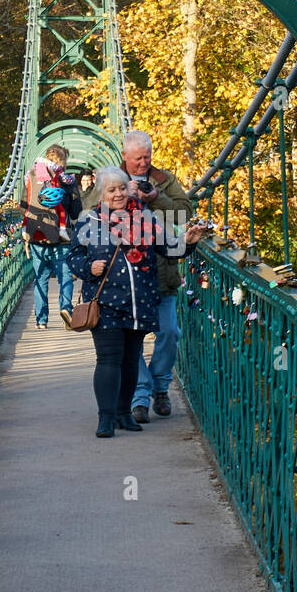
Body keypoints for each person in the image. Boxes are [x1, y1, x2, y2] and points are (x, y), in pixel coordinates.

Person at [69, 168, 206, 437]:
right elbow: (73, 257)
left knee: (131, 360)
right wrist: (88, 267)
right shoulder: (90, 221)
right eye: (111, 190)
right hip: (106, 302)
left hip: (139, 301)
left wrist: (188, 242)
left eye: (122, 188)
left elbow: (168, 248)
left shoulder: (146, 218)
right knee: (109, 360)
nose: (118, 194)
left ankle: (123, 414)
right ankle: (106, 418)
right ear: (101, 194)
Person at [83, 129, 193, 421]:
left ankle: (160, 386)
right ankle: (141, 396)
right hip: (123, 284)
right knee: (131, 344)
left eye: (147, 157)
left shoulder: (164, 180)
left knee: (169, 332)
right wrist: (118, 195)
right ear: (125, 157)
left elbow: (183, 215)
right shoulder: (110, 180)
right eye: (137, 158)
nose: (143, 163)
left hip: (162, 275)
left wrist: (157, 197)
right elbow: (85, 216)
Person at [20, 144, 82, 329]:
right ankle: (66, 309)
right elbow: (77, 211)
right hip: (61, 238)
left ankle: (41, 320)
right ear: (63, 161)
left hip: (37, 236)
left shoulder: (31, 176)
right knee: (65, 276)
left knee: (41, 279)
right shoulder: (67, 180)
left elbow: (24, 205)